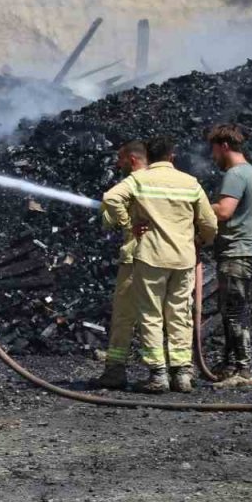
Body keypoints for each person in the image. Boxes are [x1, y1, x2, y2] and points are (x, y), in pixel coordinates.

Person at [103, 136, 217, 394]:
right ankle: (182, 374)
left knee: (151, 315)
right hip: (183, 258)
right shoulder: (190, 183)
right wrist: (201, 240)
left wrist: (128, 224)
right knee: (179, 313)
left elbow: (111, 198)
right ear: (172, 156)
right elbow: (209, 221)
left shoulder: (139, 179)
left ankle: (158, 375)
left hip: (151, 257)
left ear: (148, 157)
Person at [206, 124, 252, 387]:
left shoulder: (235, 174)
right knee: (232, 308)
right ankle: (229, 364)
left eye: (213, 151)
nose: (213, 158)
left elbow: (223, 211)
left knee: (233, 312)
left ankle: (242, 371)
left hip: (238, 252)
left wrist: (196, 206)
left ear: (224, 146)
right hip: (249, 250)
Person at [95, 140, 148, 390]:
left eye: (122, 159)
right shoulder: (168, 182)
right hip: (169, 259)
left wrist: (126, 223)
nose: (118, 164)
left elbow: (111, 208)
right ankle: (170, 372)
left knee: (124, 317)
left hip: (135, 256)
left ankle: (115, 371)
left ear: (133, 159)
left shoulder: (132, 184)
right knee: (162, 317)